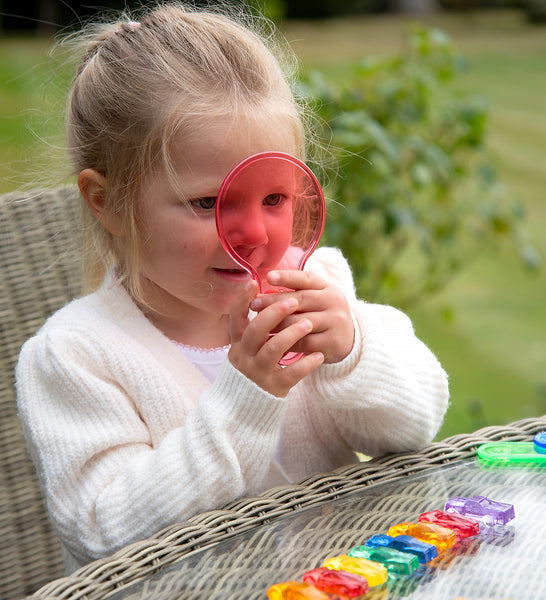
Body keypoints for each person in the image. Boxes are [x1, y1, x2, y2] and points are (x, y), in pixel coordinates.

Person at [16, 3, 449, 574]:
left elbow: (418, 425)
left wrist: (354, 350)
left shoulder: (318, 285)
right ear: (108, 202)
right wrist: (246, 400)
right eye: (206, 203)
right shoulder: (76, 355)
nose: (252, 236)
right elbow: (103, 532)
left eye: (274, 199)